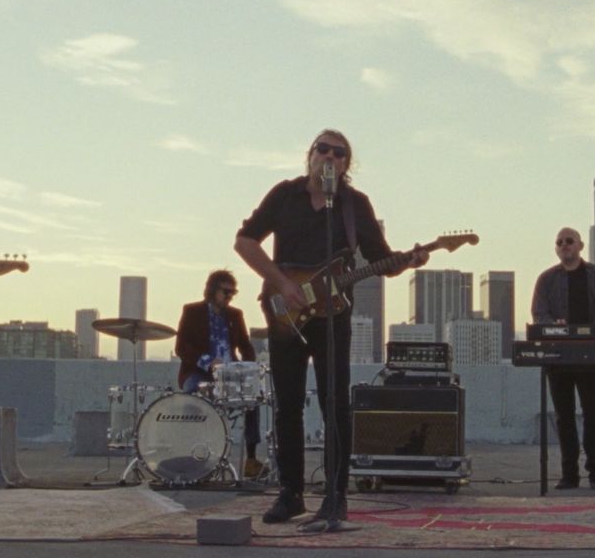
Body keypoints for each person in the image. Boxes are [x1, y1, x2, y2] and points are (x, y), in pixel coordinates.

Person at [235, 129, 428, 524]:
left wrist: (409, 261)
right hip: (286, 314)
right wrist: (284, 284)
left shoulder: (354, 205)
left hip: (334, 317)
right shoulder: (284, 195)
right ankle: (290, 493)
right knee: (286, 404)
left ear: (346, 164)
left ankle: (335, 497)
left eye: (340, 153)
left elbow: (380, 259)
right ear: (310, 154)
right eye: (323, 149)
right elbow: (245, 242)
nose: (330, 156)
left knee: (335, 405)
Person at [531, 227, 595, 490]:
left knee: (593, 414)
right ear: (556, 249)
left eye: (569, 241)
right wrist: (553, 326)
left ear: (580, 245)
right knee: (563, 416)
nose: (565, 245)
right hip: (559, 358)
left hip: (590, 357)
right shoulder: (546, 279)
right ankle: (569, 474)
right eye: (560, 242)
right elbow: (538, 314)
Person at [175, 269, 264, 479]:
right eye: (226, 291)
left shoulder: (235, 315)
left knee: (253, 400)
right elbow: (181, 347)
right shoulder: (192, 311)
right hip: (199, 372)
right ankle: (195, 454)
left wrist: (248, 368)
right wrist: (207, 362)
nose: (229, 296)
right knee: (194, 398)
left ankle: (251, 459)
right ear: (212, 290)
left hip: (229, 374)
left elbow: (245, 346)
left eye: (233, 293)